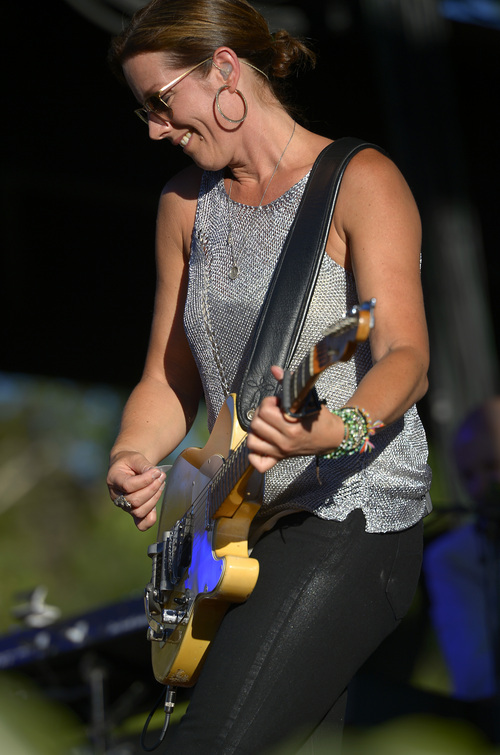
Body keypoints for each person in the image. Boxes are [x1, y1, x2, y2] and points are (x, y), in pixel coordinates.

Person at [106, 1, 432, 751]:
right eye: (143, 112)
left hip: (352, 513)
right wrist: (131, 452)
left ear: (223, 70)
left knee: (208, 741)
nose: (155, 128)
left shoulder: (362, 180)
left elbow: (406, 359)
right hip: (234, 532)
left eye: (160, 102)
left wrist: (335, 426)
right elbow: (167, 375)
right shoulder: (184, 207)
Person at [423, 398, 500, 738]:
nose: (481, 486)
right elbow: (476, 677)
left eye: (492, 465)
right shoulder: (451, 558)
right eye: (469, 474)